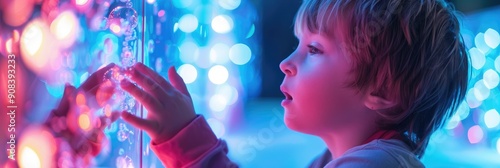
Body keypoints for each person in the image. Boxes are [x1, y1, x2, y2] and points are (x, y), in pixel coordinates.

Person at [51, 0, 469, 167]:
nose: (287, 63)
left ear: (383, 89)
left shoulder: (374, 165)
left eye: (315, 49)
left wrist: (186, 138)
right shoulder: (340, 159)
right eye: (297, 44)